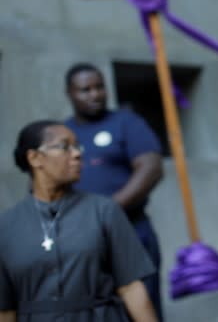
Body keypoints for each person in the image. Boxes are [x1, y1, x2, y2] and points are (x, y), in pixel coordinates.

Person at [0, 120, 157, 322]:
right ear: (35, 158)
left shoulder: (103, 211)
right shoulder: (6, 226)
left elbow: (131, 288)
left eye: (77, 146)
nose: (77, 154)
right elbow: (5, 310)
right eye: (65, 147)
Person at [64, 63, 164, 320]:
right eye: (85, 90)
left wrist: (105, 211)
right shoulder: (63, 134)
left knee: (143, 307)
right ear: (70, 94)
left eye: (99, 87)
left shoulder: (126, 122)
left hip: (131, 231)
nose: (95, 94)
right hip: (82, 240)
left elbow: (151, 168)